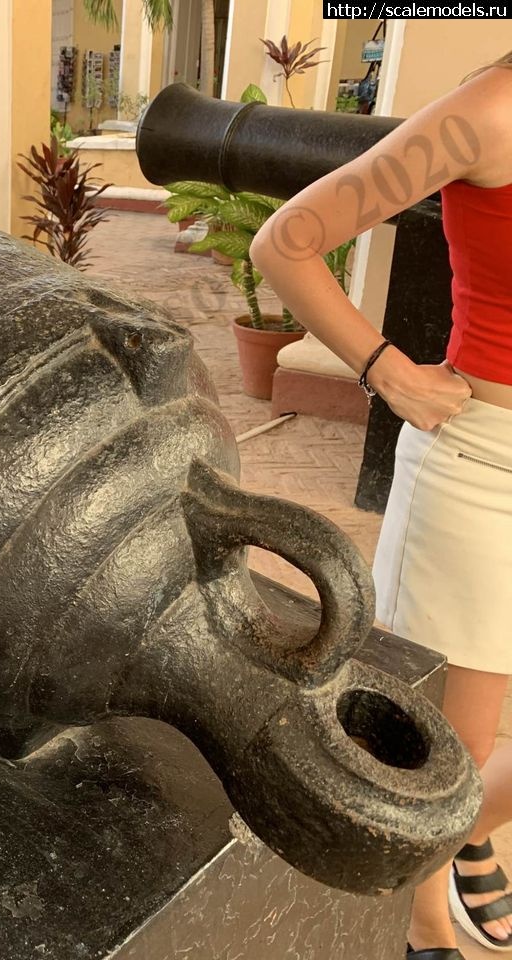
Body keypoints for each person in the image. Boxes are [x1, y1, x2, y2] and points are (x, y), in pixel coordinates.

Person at [252, 52, 512, 960]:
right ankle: (426, 923)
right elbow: (284, 240)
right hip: (489, 471)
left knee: (462, 785)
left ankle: (468, 826)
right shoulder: (489, 113)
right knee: (451, 745)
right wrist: (387, 372)